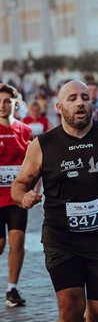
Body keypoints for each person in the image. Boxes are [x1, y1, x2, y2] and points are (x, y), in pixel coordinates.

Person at [11, 80, 98, 321]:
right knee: (71, 306)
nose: (80, 102)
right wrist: (25, 197)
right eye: (72, 98)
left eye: (85, 97)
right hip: (62, 238)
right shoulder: (43, 145)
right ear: (59, 107)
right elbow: (19, 185)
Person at [0, 84, 32, 307]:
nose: (2, 106)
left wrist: (35, 189)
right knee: (0, 244)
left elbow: (33, 164)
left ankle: (12, 289)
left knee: (17, 239)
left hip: (17, 196)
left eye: (6, 101)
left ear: (16, 103)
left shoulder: (25, 130)